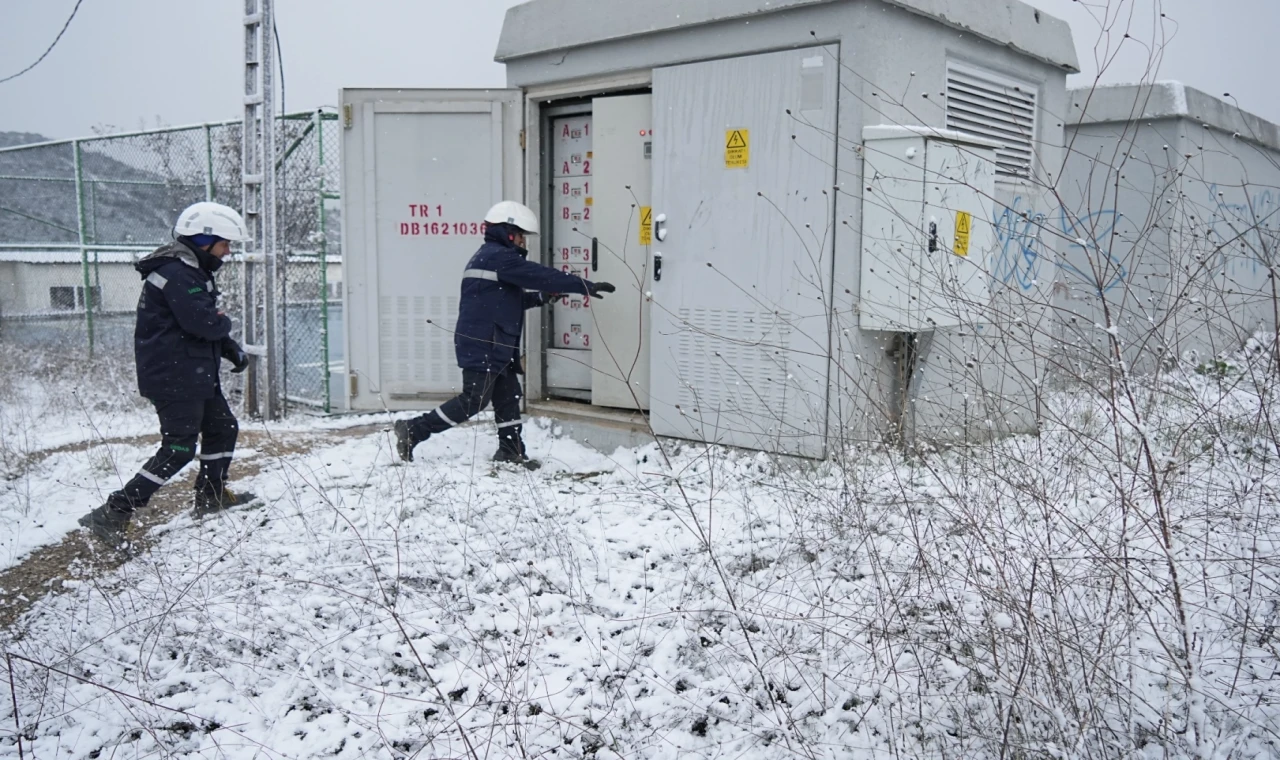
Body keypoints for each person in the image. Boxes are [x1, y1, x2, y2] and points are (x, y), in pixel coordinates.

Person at [79, 201, 259, 545]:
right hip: (175, 376)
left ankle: (211, 496)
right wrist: (225, 325)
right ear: (204, 241)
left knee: (223, 428)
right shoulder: (178, 274)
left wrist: (227, 346)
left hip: (192, 371)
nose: (228, 252)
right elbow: (204, 322)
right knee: (178, 448)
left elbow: (197, 325)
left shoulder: (191, 270)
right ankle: (114, 512)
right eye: (225, 244)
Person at [394, 201, 615, 469]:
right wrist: (584, 285)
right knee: (473, 400)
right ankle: (414, 430)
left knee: (508, 397)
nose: (524, 241)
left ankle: (510, 451)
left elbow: (507, 301)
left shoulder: (491, 257)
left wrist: (542, 298)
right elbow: (541, 275)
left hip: (496, 343)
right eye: (521, 235)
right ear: (508, 232)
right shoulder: (498, 257)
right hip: (483, 343)